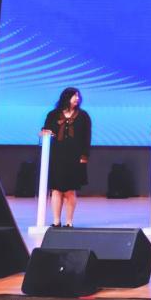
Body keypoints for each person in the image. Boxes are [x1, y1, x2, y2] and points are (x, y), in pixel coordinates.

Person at [40, 87, 91, 228]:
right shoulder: (53, 114)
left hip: (75, 157)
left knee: (70, 190)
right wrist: (44, 132)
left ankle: (69, 221)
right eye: (74, 96)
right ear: (66, 97)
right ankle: (56, 221)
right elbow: (46, 129)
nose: (77, 98)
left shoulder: (83, 116)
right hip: (57, 156)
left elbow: (86, 137)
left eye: (78, 96)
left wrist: (84, 156)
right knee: (56, 189)